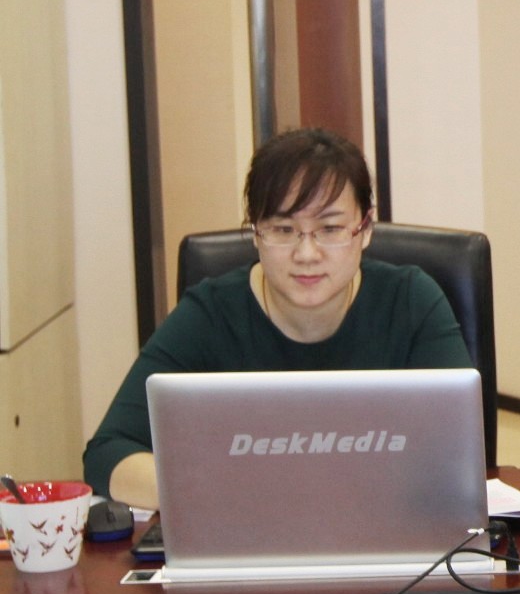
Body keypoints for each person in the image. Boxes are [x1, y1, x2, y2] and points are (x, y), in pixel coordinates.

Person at [83, 127, 472, 509]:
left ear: (365, 229)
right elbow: (107, 453)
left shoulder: (411, 302)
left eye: (330, 228)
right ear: (256, 232)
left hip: (383, 524)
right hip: (243, 529)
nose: (307, 254)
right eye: (283, 229)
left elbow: (457, 452)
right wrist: (227, 496)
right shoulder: (210, 315)